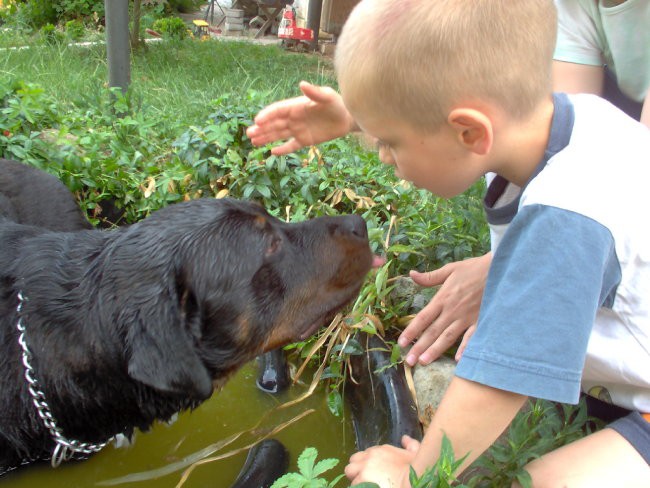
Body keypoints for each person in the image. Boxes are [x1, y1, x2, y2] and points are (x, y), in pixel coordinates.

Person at [249, 0, 650, 485]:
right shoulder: (556, 125)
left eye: (390, 142)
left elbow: (498, 384)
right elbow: (448, 110)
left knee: (545, 482)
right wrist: (361, 116)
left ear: (469, 132)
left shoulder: (565, 217)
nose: (382, 156)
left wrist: (414, 471)